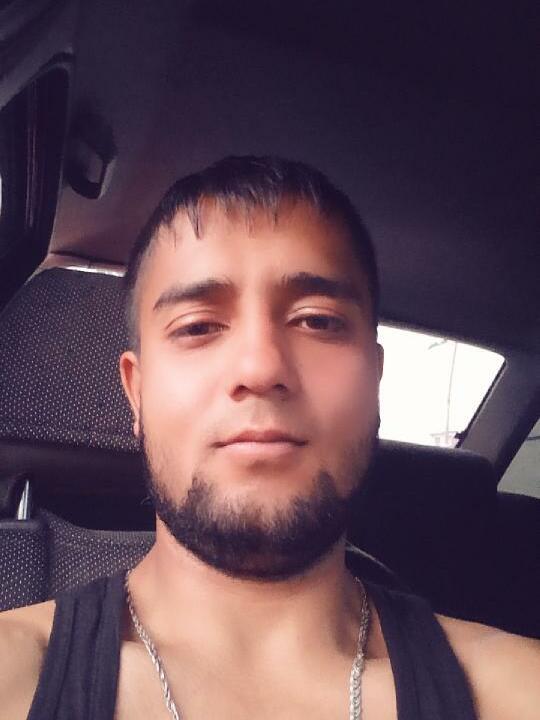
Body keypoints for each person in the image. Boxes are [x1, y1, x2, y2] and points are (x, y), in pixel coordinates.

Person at [0, 156, 538, 720]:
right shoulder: (15, 672)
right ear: (137, 393)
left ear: (375, 381)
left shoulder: (516, 689)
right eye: (197, 326)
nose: (260, 368)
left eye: (317, 320)